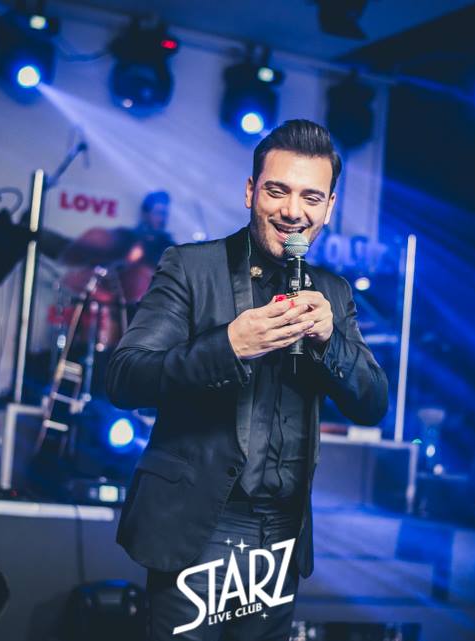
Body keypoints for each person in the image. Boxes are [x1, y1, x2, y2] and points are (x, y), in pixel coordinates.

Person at [106, 120, 389, 640]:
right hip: (199, 527)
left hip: (281, 536)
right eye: (277, 191)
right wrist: (229, 345)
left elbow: (373, 403)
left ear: (328, 207)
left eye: (311, 197)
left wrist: (331, 341)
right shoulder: (192, 268)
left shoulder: (333, 292)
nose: (293, 211)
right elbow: (126, 376)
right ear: (250, 191)